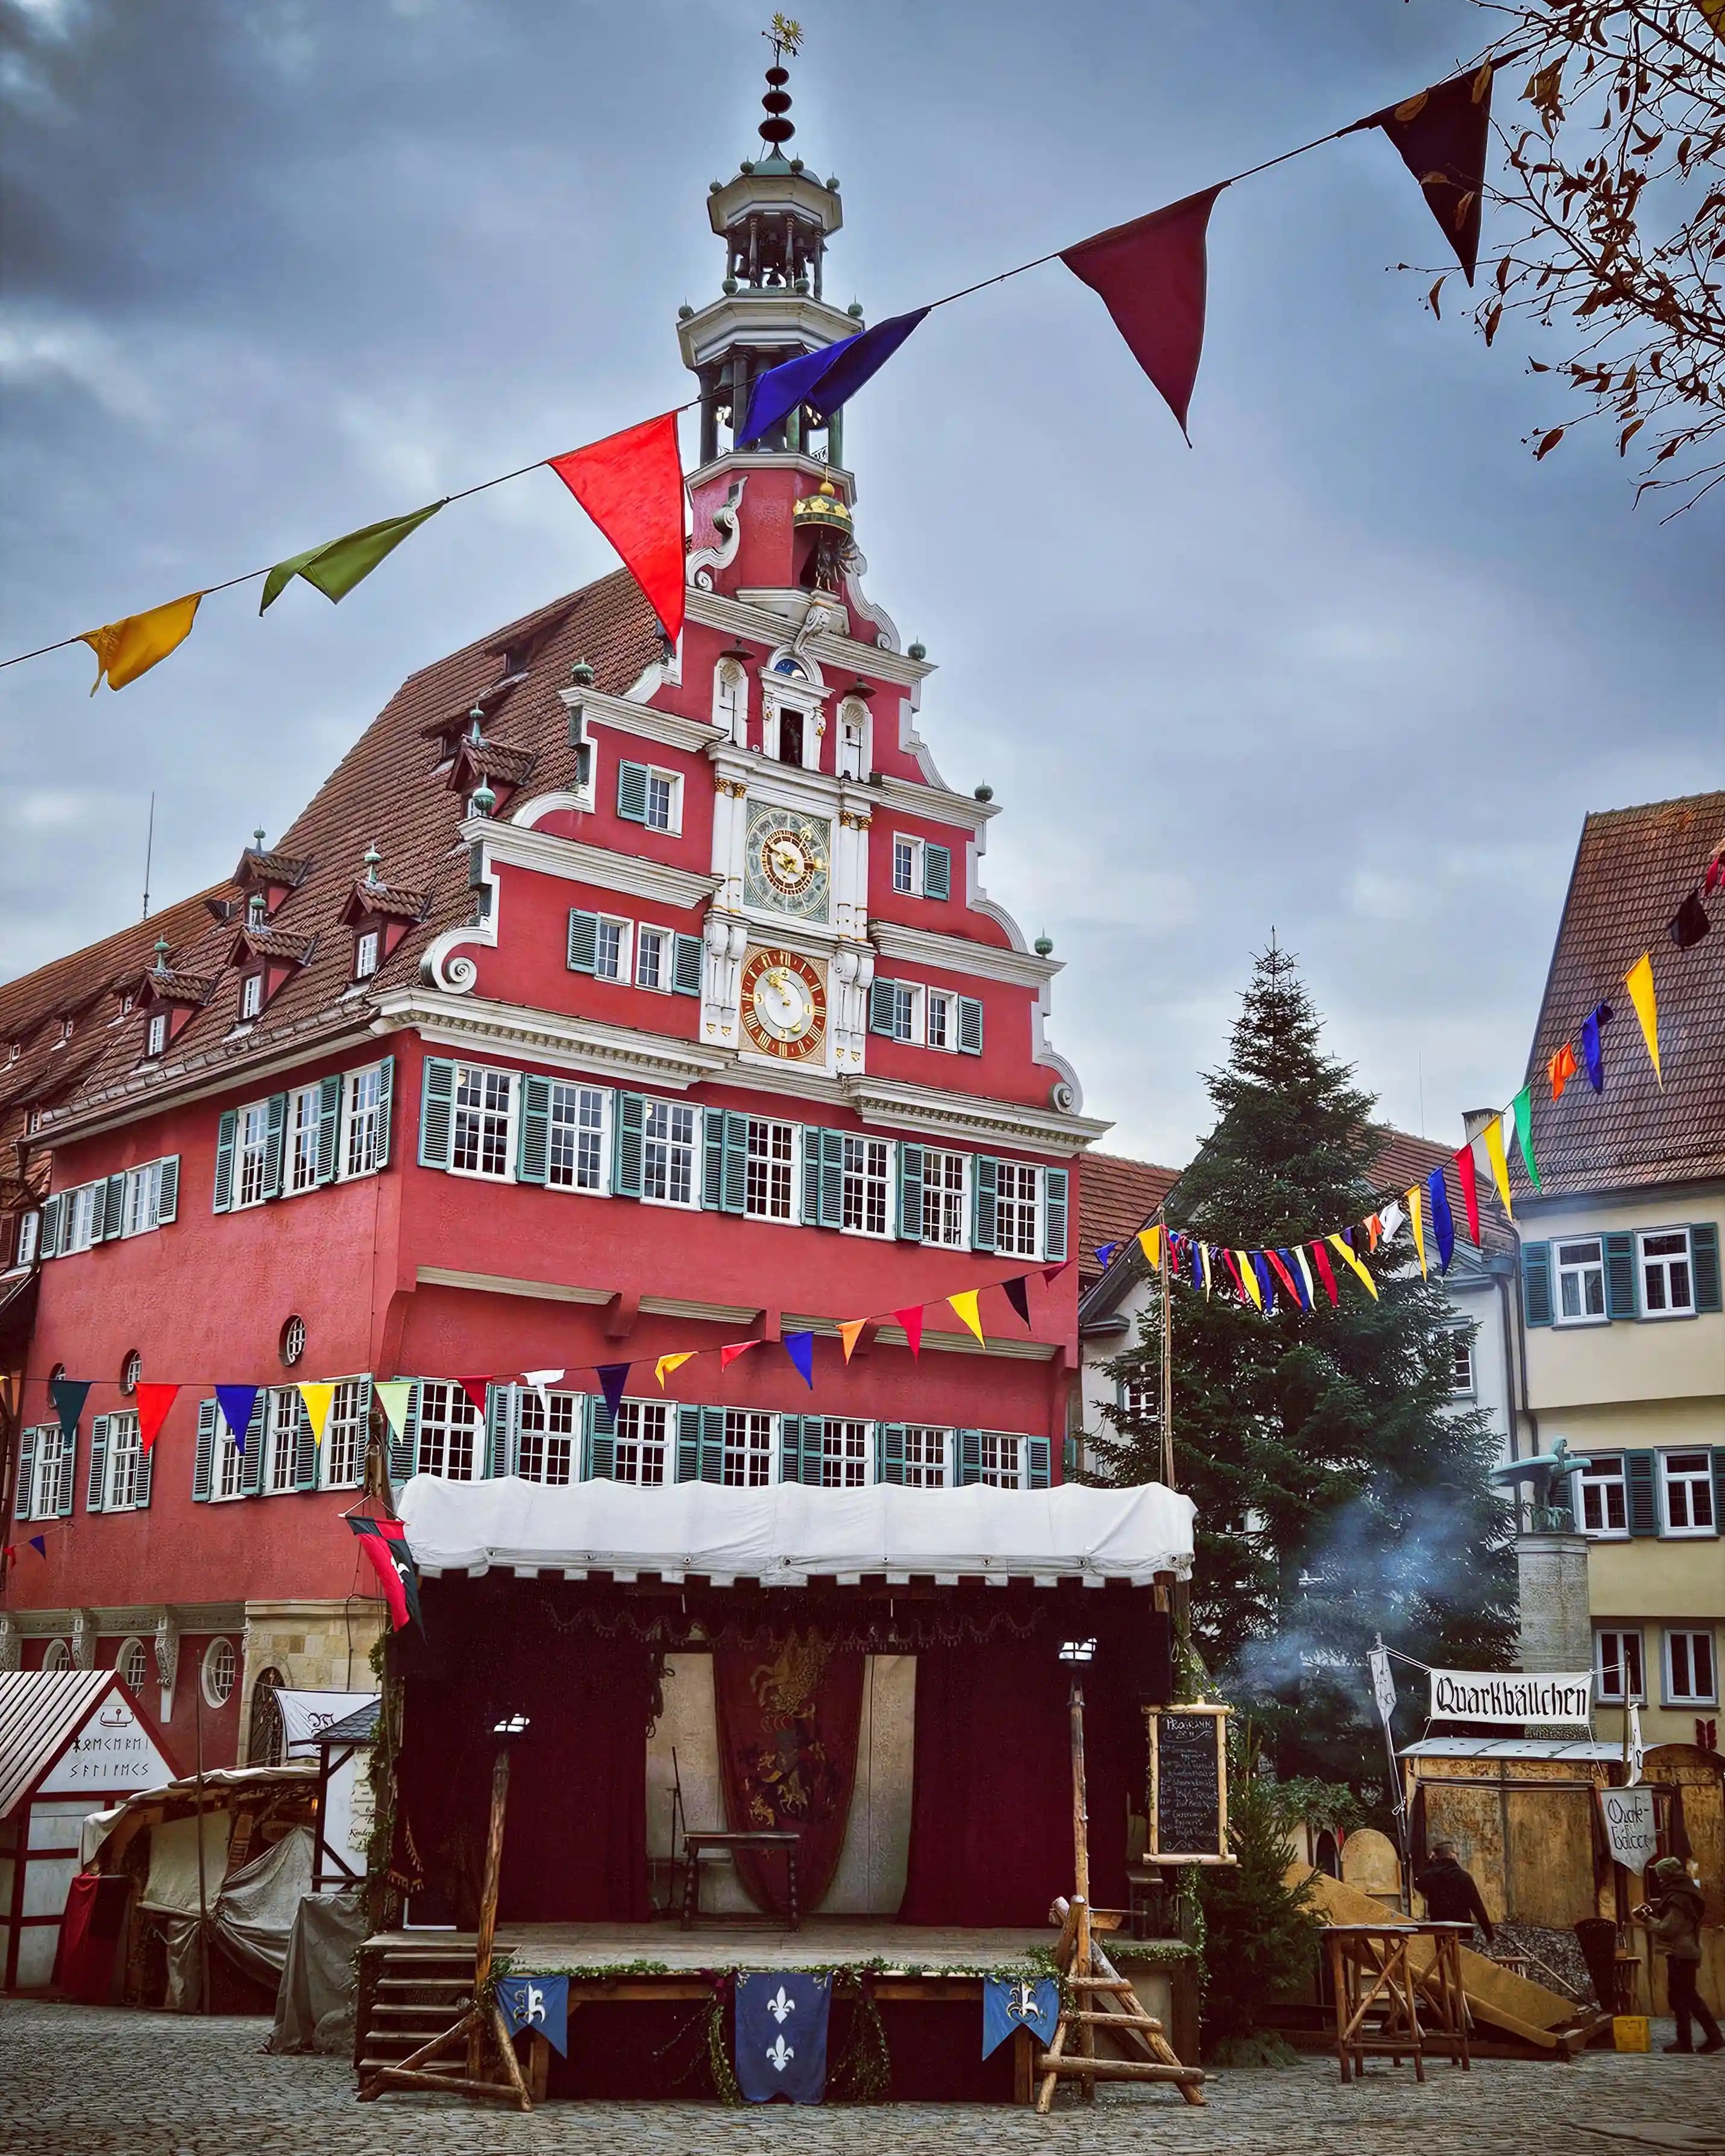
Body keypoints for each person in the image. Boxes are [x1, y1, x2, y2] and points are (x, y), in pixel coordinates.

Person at [1636, 1855, 1723, 2055]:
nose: (1659, 1880)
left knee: (1689, 1997)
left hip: (1682, 1954)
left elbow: (1670, 1928)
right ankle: (1685, 2041)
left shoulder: (1680, 1897)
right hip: (1683, 1952)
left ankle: (1714, 2037)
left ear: (1668, 1875)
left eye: (1661, 1876)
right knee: (1679, 1998)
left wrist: (1646, 1919)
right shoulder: (1685, 1892)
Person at [1415, 1839, 1495, 1946]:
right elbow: (1478, 1907)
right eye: (1456, 1853)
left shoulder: (1430, 1877)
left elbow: (1417, 1883)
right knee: (1465, 1961)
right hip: (1463, 1934)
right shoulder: (1464, 1877)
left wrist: (1431, 1863)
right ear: (1451, 1855)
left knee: (1441, 1961)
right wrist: (1490, 1935)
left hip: (1440, 1935)